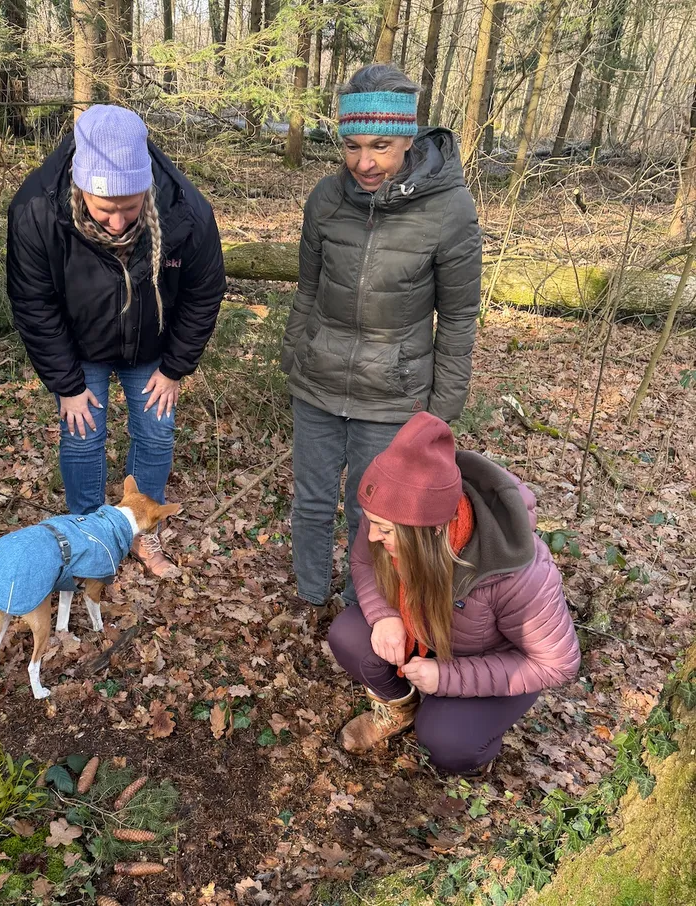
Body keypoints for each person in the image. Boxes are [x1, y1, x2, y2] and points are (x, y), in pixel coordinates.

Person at [280, 63, 482, 619]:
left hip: (393, 395)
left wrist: (443, 407)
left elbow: (460, 315)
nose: (364, 163)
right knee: (313, 501)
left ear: (409, 136)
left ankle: (359, 607)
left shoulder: (450, 210)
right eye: (351, 146)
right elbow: (309, 288)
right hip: (318, 383)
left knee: (370, 511)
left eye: (380, 146)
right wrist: (295, 353)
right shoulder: (325, 200)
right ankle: (310, 597)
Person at [7, 105, 225, 578]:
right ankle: (89, 534)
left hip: (152, 348)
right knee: (83, 436)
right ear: (80, 187)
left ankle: (142, 530)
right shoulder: (37, 208)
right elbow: (33, 301)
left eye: (130, 207)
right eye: (106, 208)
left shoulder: (185, 209)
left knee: (156, 431)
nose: (119, 221)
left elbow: (204, 293)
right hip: (77, 347)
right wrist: (66, 383)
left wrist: (175, 368)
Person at [326, 413, 581, 774]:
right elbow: (365, 565)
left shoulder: (516, 573)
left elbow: (556, 663)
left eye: (382, 530)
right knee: (349, 636)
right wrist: (384, 615)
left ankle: (474, 751)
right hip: (427, 632)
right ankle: (400, 709)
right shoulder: (390, 509)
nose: (371, 537)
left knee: (447, 741)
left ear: (429, 532)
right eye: (372, 523)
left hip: (491, 661)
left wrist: (447, 678)